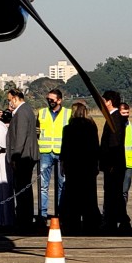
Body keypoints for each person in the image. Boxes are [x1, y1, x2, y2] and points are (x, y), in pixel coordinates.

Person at [58, 100, 101, 234]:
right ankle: (90, 223)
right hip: (88, 166)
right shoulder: (91, 127)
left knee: (72, 196)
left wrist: (63, 164)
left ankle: (72, 223)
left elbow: (65, 149)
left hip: (73, 166)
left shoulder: (68, 128)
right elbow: (95, 147)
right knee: (89, 195)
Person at [5, 88, 39, 231]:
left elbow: (21, 137)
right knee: (23, 188)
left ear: (15, 98)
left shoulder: (23, 112)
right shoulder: (24, 110)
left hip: (23, 157)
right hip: (25, 155)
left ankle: (24, 218)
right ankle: (24, 217)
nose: (9, 103)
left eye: (9, 99)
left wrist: (16, 156)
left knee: (22, 188)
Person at [98, 90, 131, 233]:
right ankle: (115, 221)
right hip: (113, 164)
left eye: (104, 101)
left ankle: (117, 222)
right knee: (114, 194)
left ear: (109, 101)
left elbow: (114, 143)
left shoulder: (115, 118)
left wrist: (110, 163)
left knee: (113, 194)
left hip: (114, 164)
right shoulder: (114, 117)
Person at [37, 88, 68, 221]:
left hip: (61, 153)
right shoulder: (41, 113)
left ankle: (61, 212)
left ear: (59, 100)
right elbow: (37, 131)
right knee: (43, 185)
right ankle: (43, 214)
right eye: (48, 99)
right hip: (45, 152)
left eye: (52, 100)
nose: (49, 102)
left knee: (62, 185)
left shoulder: (68, 114)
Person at [120, 102, 132, 204]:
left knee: (125, 190)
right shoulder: (114, 125)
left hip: (128, 161)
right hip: (117, 161)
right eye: (123, 112)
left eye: (127, 112)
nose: (126, 115)